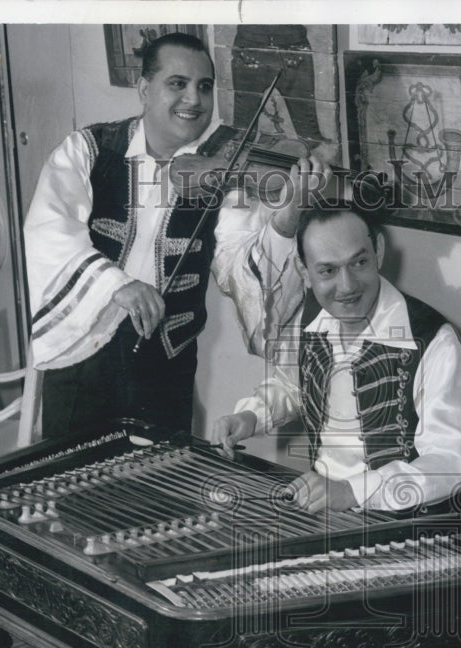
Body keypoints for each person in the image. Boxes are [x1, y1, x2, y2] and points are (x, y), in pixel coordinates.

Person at [23, 31, 332, 440]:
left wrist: (289, 214)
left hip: (166, 371)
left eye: (204, 87)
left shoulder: (226, 170)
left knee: (159, 493)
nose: (194, 100)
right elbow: (49, 230)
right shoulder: (87, 150)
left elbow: (241, 265)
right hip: (83, 362)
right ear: (144, 89)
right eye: (177, 84)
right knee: (73, 490)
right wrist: (118, 284)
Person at [211, 201, 461, 515]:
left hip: (405, 528)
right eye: (328, 271)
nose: (347, 286)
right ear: (304, 271)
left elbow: (450, 464)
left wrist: (352, 491)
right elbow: (291, 386)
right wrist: (251, 417)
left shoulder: (435, 340)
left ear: (378, 250)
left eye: (359, 262)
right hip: (323, 514)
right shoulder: (309, 319)